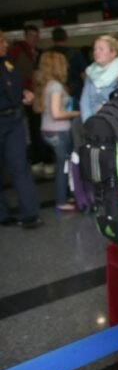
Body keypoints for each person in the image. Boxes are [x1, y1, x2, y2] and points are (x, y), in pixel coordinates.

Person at [0, 30, 42, 229]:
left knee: (20, 166)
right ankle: (2, 214)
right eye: (2, 42)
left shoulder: (7, 62)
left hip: (14, 120)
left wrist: (24, 92)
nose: (6, 45)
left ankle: (30, 214)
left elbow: (14, 83)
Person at [34, 51, 80, 212]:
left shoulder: (46, 85)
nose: (67, 66)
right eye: (64, 63)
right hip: (58, 132)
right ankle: (61, 201)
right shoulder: (55, 86)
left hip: (47, 130)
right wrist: (76, 113)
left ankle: (65, 196)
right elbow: (57, 113)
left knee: (62, 165)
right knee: (62, 167)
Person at [9, 25, 51, 174]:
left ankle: (40, 157)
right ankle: (37, 158)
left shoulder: (37, 53)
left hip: (37, 94)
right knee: (33, 127)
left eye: (36, 36)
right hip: (25, 94)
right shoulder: (18, 51)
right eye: (32, 36)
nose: (34, 39)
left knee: (38, 126)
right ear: (26, 36)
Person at [80, 35, 118, 123]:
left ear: (113, 53)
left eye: (101, 49)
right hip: (93, 122)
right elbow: (85, 101)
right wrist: (88, 123)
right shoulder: (90, 72)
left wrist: (105, 106)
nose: (96, 52)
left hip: (115, 122)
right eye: (95, 49)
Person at [49, 27, 88, 111]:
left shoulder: (47, 55)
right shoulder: (75, 54)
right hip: (73, 93)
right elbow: (84, 76)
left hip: (51, 93)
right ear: (66, 38)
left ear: (52, 39)